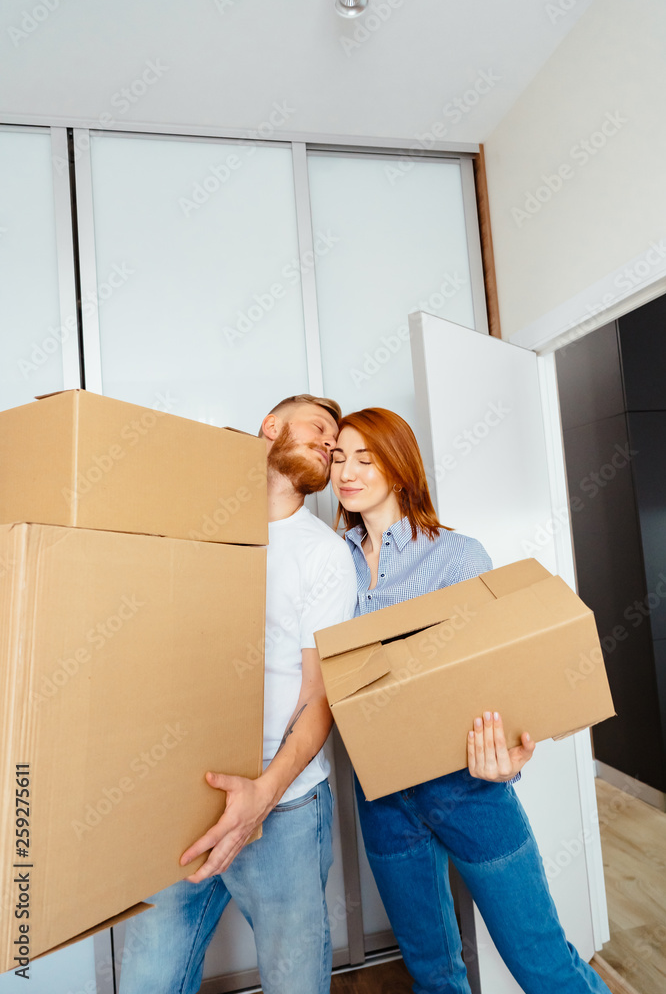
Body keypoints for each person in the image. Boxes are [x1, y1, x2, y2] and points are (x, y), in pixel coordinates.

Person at [329, 406, 611, 994]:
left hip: (467, 786)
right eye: (338, 458)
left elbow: (498, 669)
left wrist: (509, 752)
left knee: (543, 963)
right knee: (433, 973)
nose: (347, 472)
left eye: (365, 457)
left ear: (399, 466)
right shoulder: (334, 563)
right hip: (382, 793)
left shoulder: (454, 555)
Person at [119, 394, 357, 994]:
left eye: (336, 441)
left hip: (287, 808)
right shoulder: (197, 529)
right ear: (271, 428)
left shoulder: (324, 554)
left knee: (294, 982)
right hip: (185, 799)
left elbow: (320, 695)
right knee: (150, 978)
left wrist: (263, 795)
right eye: (320, 427)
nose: (330, 443)